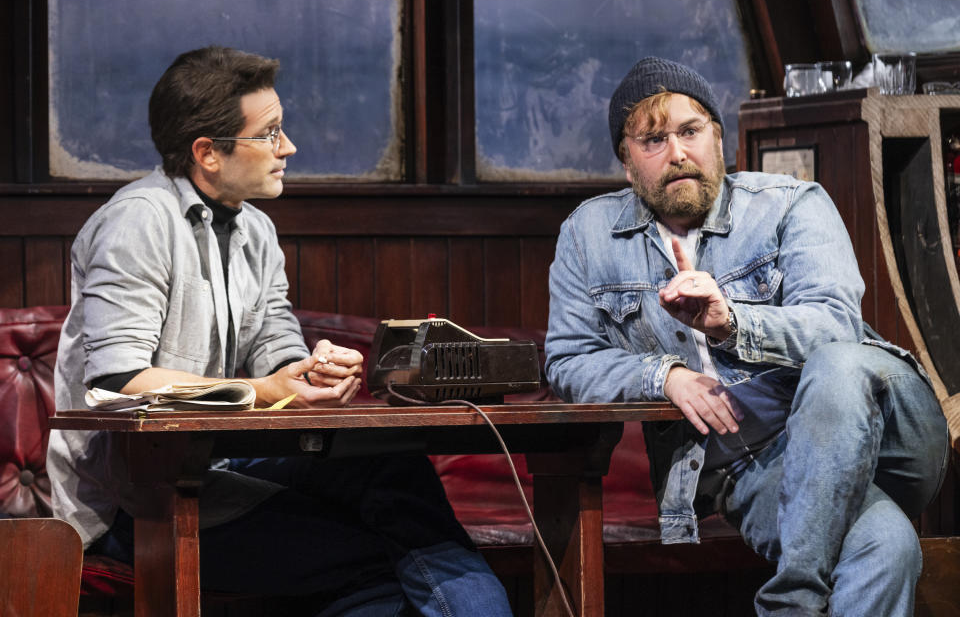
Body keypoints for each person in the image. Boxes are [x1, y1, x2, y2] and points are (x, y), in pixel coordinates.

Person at [48, 45, 513, 616]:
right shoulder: (138, 221)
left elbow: (275, 345)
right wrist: (261, 392)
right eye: (269, 134)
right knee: (381, 559)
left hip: (219, 461)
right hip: (138, 498)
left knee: (392, 464)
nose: (287, 147)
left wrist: (311, 370)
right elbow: (118, 380)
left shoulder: (255, 228)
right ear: (208, 153)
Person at [544, 56, 949, 616]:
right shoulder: (588, 235)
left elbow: (836, 326)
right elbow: (567, 360)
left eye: (690, 131)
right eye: (652, 140)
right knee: (885, 546)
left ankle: (793, 599)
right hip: (754, 464)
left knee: (836, 363)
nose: (677, 153)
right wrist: (663, 376)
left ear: (719, 137)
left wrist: (732, 322)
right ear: (628, 161)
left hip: (888, 431)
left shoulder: (791, 204)